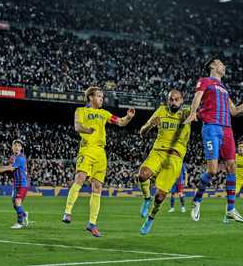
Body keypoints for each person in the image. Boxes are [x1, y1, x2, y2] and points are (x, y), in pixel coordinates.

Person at [184, 56, 243, 222]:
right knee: (213, 170)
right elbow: (197, 97)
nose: (224, 66)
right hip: (211, 127)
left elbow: (234, 111)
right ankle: (197, 200)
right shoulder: (205, 81)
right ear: (212, 65)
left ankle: (230, 209)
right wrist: (193, 113)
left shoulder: (224, 88)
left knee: (232, 167)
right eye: (221, 63)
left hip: (227, 130)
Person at [62, 86, 135, 237]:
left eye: (102, 97)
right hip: (87, 150)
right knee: (80, 177)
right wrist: (86, 130)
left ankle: (92, 223)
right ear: (90, 97)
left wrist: (128, 117)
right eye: (99, 96)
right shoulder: (81, 111)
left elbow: (120, 122)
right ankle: (67, 212)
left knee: (97, 187)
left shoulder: (104, 113)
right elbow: (77, 126)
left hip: (101, 153)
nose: (102, 99)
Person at [137, 89, 191, 235]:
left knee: (160, 197)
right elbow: (142, 132)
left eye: (176, 99)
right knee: (142, 175)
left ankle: (150, 218)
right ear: (167, 101)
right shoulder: (160, 111)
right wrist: (150, 126)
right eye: (171, 99)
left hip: (175, 158)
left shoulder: (187, 114)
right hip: (158, 152)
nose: (173, 102)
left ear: (182, 101)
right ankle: (146, 198)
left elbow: (203, 111)